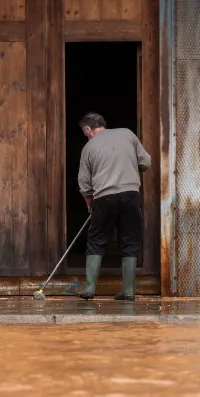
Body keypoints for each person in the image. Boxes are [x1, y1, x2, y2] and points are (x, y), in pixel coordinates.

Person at [72, 112, 151, 301]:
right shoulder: (127, 134)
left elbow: (84, 183)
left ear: (88, 129)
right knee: (130, 240)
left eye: (85, 133)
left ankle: (90, 289)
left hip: (104, 197)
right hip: (130, 194)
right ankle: (129, 291)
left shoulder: (89, 147)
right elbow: (146, 162)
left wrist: (90, 204)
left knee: (97, 240)